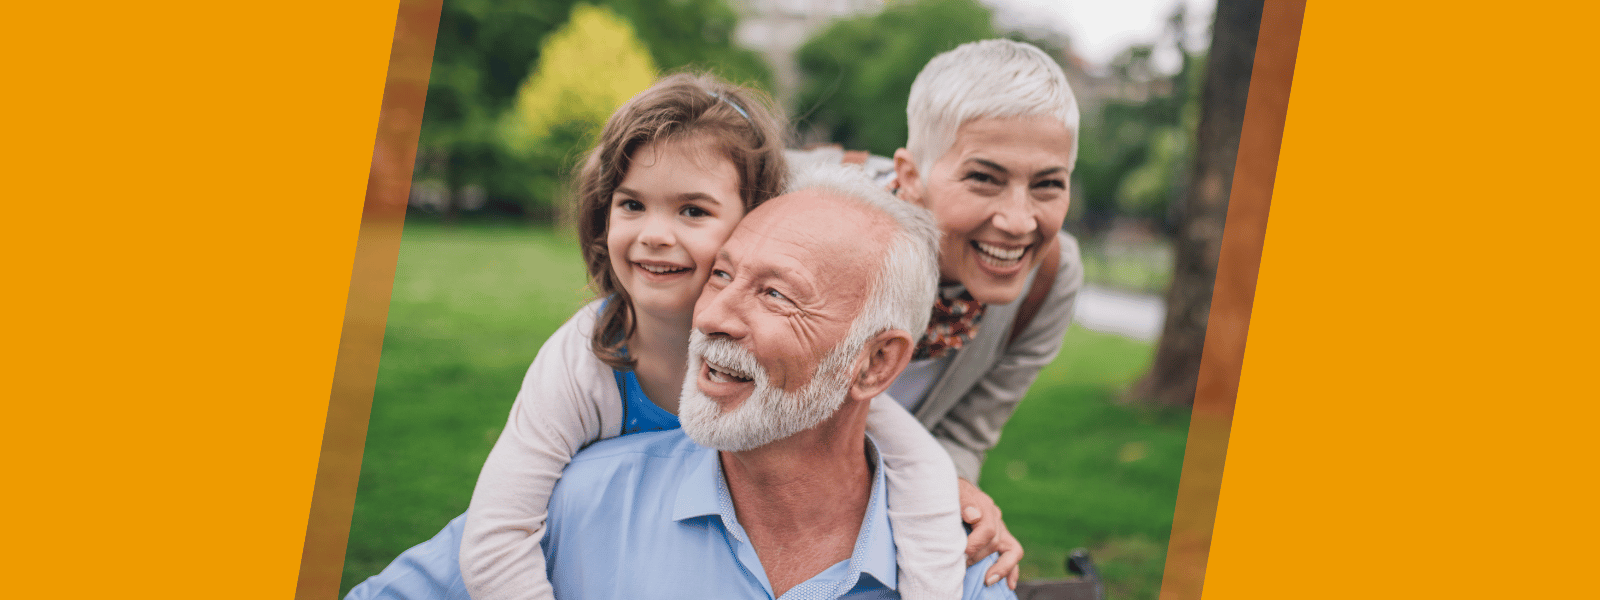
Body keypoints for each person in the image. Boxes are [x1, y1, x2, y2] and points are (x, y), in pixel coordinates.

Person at [347, 165, 1015, 600]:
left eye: (777, 295)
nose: (715, 315)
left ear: (875, 364)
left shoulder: (963, 570)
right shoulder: (578, 501)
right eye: (720, 275)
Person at [436, 74, 964, 600]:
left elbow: (920, 471)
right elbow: (497, 534)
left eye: (692, 210)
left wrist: (960, 519)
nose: (655, 234)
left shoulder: (808, 369)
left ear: (757, 218)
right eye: (631, 204)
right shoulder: (587, 357)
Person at [884, 38, 1087, 588]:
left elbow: (965, 433)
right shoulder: (822, 237)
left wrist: (963, 504)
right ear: (909, 177)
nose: (1020, 222)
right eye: (984, 178)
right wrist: (929, 480)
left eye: (1047, 184)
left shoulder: (1049, 280)